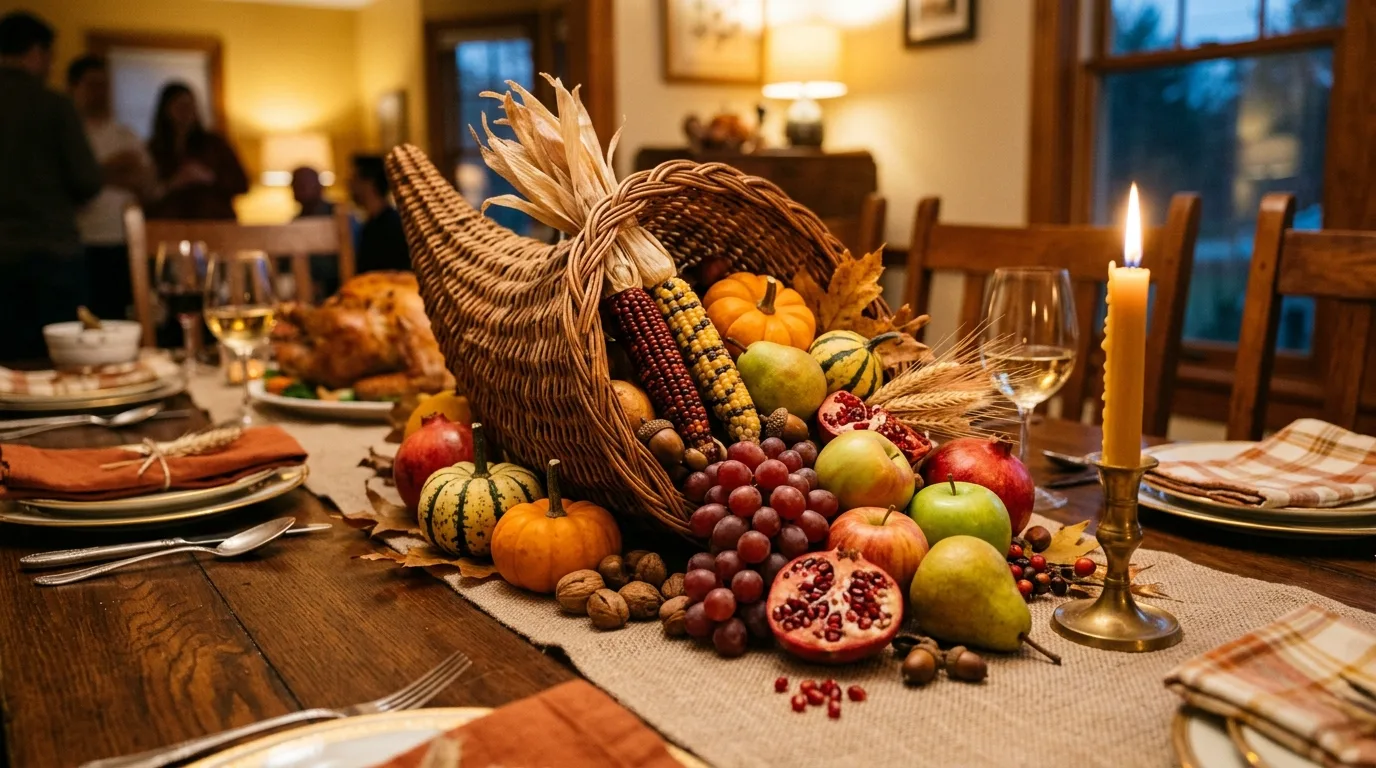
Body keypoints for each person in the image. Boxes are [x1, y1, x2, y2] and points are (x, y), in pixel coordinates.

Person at [0, 11, 102, 360]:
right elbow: (87, 179)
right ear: (36, 52)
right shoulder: (53, 105)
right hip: (51, 254)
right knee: (60, 363)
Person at [68, 54, 151, 321]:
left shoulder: (124, 134)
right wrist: (114, 168)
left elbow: (144, 181)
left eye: (104, 85)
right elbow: (72, 183)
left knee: (120, 316)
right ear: (74, 88)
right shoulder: (69, 134)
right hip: (81, 241)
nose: (100, 93)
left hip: (122, 239)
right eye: (92, 85)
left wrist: (96, 173)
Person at [146, 82, 247, 220]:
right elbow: (145, 194)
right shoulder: (153, 149)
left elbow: (241, 184)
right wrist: (173, 183)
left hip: (212, 220)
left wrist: (209, 177)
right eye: (179, 106)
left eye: (189, 106)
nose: (185, 112)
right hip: (169, 222)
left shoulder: (215, 144)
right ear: (166, 110)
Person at [349, 154, 410, 273]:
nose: (349, 184)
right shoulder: (370, 224)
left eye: (353, 178)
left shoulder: (392, 226)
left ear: (368, 183)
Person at [292, 166, 341, 300]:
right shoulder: (293, 223)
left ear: (320, 186)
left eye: (303, 183)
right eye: (294, 184)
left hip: (334, 292)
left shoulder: (337, 215)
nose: (297, 188)